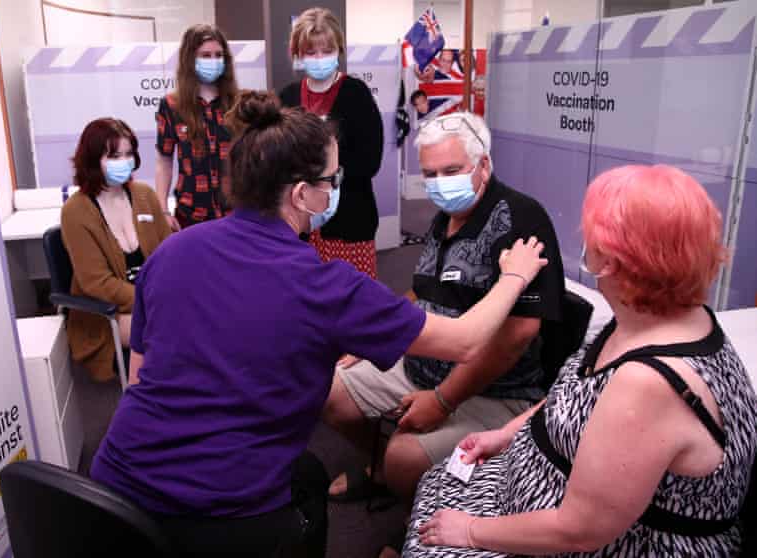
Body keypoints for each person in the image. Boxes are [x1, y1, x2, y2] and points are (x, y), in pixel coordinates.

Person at [90, 91, 549, 558]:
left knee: (308, 472)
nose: (334, 189)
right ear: (301, 195)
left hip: (112, 501)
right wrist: (514, 276)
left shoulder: (173, 251)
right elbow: (467, 340)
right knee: (302, 485)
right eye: (332, 180)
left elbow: (141, 379)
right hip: (222, 517)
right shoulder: (326, 286)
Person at [404, 164, 757, 557]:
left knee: (433, 527)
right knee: (437, 483)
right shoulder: (652, 317)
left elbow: (580, 531)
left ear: (611, 262)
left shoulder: (649, 383)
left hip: (615, 543)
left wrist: (470, 531)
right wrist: (507, 434)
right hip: (541, 489)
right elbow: (576, 395)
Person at [322, 111, 564, 556]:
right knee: (326, 388)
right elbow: (423, 289)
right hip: (420, 364)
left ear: (483, 165)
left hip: (492, 389)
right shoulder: (444, 218)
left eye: (451, 171)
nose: (439, 184)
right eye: (430, 174)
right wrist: (378, 338)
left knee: (405, 458)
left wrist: (443, 400)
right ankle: (383, 472)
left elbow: (518, 334)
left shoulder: (521, 220)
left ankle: (416, 517)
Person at [61, 118, 171, 382]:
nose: (124, 161)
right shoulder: (76, 211)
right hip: (108, 314)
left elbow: (169, 256)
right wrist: (153, 300)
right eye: (114, 156)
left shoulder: (144, 195)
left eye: (128, 154)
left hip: (155, 301)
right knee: (172, 331)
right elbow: (97, 283)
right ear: (92, 160)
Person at [280, 7, 384, 278]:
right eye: (311, 52)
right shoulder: (288, 97)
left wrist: (323, 176)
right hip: (299, 223)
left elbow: (370, 160)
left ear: (339, 50)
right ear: (298, 53)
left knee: (353, 293)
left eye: (326, 51)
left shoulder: (356, 94)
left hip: (349, 220)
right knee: (306, 293)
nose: (319, 58)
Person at [155, 24, 238, 231]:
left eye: (218, 55)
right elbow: (164, 160)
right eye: (206, 55)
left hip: (235, 213)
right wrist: (163, 209)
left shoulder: (238, 103)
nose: (213, 61)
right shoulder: (172, 106)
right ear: (190, 59)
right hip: (190, 215)